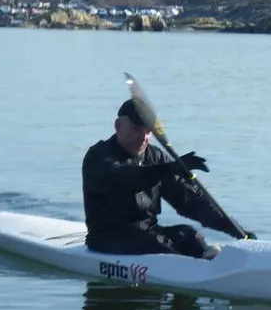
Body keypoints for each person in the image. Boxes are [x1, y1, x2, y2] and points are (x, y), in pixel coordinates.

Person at [81, 98, 255, 259]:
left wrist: (234, 229)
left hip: (147, 232)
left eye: (148, 131)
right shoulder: (99, 157)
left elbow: (191, 202)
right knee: (159, 245)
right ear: (118, 125)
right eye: (136, 129)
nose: (143, 138)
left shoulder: (156, 157)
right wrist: (169, 169)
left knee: (190, 236)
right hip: (107, 238)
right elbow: (126, 179)